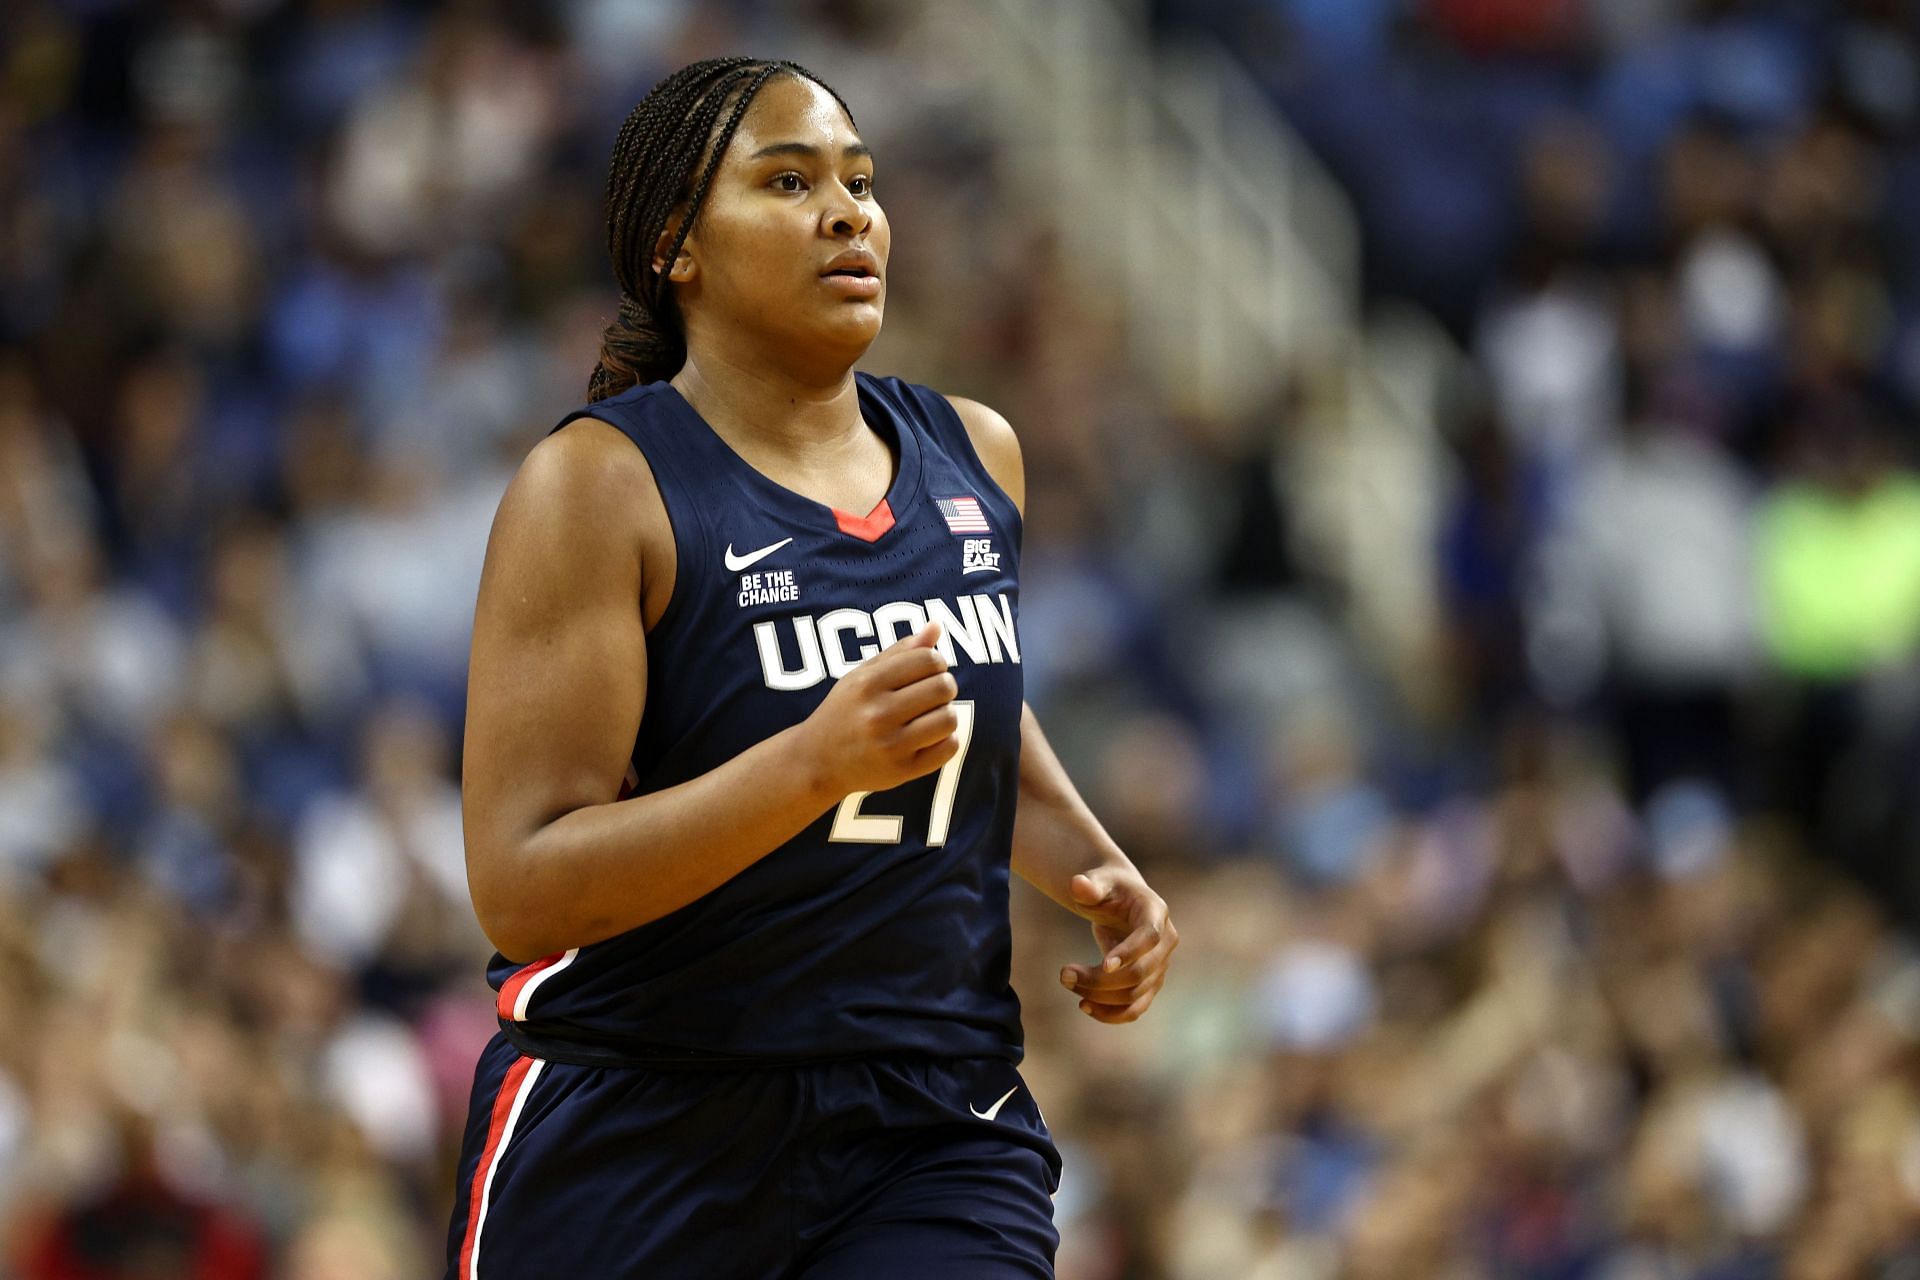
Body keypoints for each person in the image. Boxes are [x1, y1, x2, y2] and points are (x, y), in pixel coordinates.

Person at [445, 57, 1179, 1279]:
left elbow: (960, 709)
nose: (849, 213)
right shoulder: (599, 487)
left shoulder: (975, 452)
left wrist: (1095, 864)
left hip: (932, 1116)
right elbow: (524, 885)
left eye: (861, 182)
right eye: (789, 182)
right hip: (643, 1116)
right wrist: (809, 765)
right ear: (678, 244)